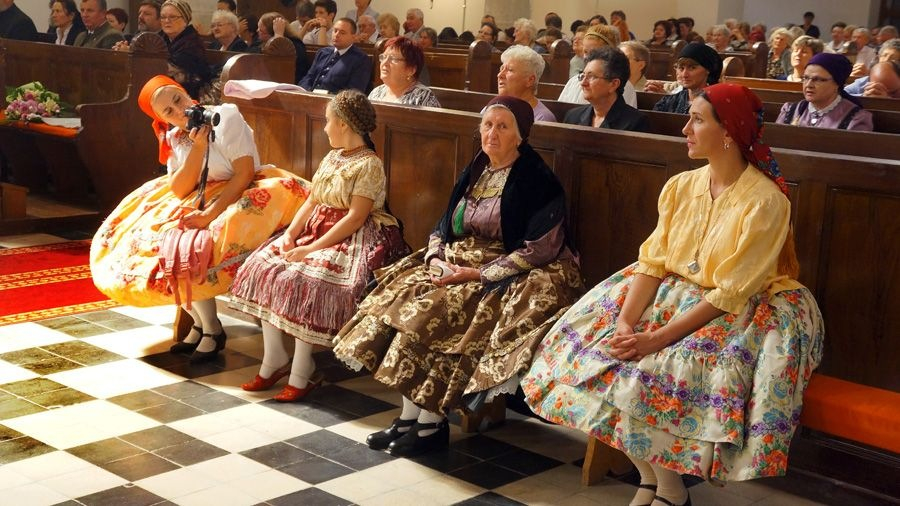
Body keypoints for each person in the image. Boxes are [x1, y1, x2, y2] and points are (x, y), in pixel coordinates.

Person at [523, 83, 824, 506]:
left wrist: (656, 338)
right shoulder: (681, 186)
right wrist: (625, 323)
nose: (685, 129)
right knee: (595, 355)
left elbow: (732, 291)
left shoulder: (765, 201)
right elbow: (652, 263)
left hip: (738, 307)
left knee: (654, 373)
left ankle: (669, 489)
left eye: (697, 120)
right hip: (672, 292)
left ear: (729, 131)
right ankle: (655, 481)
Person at [333, 95, 584, 457]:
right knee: (403, 295)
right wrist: (435, 257)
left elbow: (542, 247)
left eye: (503, 127)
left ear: (521, 136)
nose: (492, 134)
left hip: (504, 270)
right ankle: (409, 417)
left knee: (437, 311)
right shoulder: (477, 169)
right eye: (487, 125)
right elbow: (444, 225)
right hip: (455, 262)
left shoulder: (537, 179)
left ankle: (430, 423)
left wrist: (478, 274)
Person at [91, 75, 309, 364]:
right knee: (158, 240)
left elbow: (244, 173)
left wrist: (209, 214)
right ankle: (203, 323)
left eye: (178, 100)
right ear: (163, 120)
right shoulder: (176, 137)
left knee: (197, 243)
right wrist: (197, 148)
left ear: (186, 93)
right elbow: (180, 188)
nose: (179, 111)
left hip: (240, 189)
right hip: (200, 194)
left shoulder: (224, 117)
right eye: (168, 112)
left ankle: (212, 329)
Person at [231, 90, 408, 401]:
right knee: (263, 267)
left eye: (328, 121)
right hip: (316, 229)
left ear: (343, 124)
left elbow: (355, 217)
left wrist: (310, 250)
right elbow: (312, 200)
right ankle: (274, 358)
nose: (325, 128)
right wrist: (290, 234)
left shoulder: (369, 164)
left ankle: (302, 369)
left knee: (305, 280)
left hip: (351, 237)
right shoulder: (332, 156)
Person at [777, 53, 874, 131]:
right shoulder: (790, 111)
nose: (809, 85)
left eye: (818, 79)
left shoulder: (856, 118)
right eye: (805, 78)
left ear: (837, 84)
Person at [564, 47, 649, 132]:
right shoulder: (573, 116)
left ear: (614, 84)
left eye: (591, 77)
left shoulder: (636, 122)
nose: (583, 83)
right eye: (583, 76)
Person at [558, 25, 638, 108]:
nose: (587, 57)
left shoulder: (623, 87)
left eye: (594, 53)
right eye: (585, 51)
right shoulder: (574, 82)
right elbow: (560, 109)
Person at [154, 0, 211, 100]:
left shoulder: (192, 42)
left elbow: (168, 68)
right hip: (163, 88)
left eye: (172, 17)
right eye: (163, 17)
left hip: (188, 94)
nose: (167, 21)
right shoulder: (159, 38)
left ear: (185, 20)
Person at [299, 18, 371, 94]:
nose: (336, 35)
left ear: (353, 37)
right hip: (310, 96)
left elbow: (354, 91)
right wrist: (307, 93)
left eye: (342, 33)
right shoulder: (323, 52)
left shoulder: (361, 59)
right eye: (335, 31)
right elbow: (308, 77)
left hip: (335, 100)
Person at [369, 36, 440, 107]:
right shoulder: (376, 92)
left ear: (411, 70)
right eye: (384, 57)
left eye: (393, 59)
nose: (384, 63)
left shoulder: (423, 98)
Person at [652, 42, 722, 114]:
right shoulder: (668, 102)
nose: (684, 75)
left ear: (707, 70)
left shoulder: (716, 105)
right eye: (681, 68)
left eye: (692, 68)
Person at [498, 45, 556, 122]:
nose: (500, 75)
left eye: (510, 70)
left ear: (530, 80)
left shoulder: (542, 118)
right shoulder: (491, 109)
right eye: (501, 69)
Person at [258, 12, 310, 85]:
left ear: (271, 33)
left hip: (292, 84)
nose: (257, 31)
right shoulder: (261, 43)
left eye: (261, 31)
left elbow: (279, 69)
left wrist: (278, 36)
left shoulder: (295, 45)